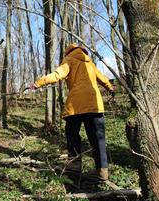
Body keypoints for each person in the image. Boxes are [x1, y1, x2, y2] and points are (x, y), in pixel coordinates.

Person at [29, 43, 114, 181]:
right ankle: (102, 171)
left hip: (76, 105)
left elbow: (57, 74)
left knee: (72, 134)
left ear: (68, 52)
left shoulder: (69, 59)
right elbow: (103, 78)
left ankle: (74, 164)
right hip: (95, 104)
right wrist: (111, 88)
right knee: (98, 138)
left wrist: (38, 83)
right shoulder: (90, 63)